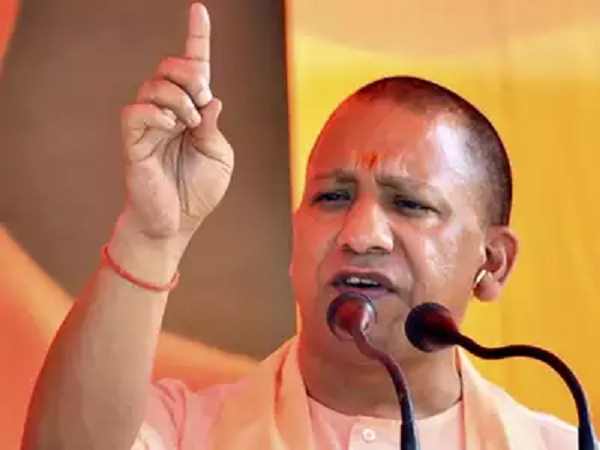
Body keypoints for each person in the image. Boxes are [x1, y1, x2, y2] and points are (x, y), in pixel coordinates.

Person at [21, 3, 581, 450]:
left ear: (493, 263)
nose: (360, 234)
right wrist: (151, 233)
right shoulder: (186, 432)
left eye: (409, 205)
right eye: (333, 197)